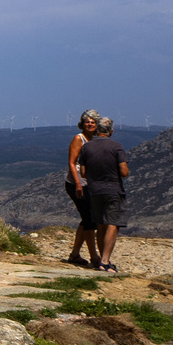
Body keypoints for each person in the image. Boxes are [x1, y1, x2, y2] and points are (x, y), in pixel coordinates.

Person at [79, 116, 129, 272]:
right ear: (111, 132)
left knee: (100, 225)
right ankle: (105, 261)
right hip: (113, 190)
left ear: (97, 130)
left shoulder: (86, 147)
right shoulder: (117, 147)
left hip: (94, 191)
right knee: (113, 224)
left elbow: (83, 172)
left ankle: (101, 259)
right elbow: (124, 172)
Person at [64, 109, 100, 268]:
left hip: (89, 183)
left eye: (93, 122)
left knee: (87, 219)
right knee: (90, 220)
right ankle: (94, 256)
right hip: (76, 184)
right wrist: (78, 183)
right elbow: (72, 162)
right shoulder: (79, 139)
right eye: (87, 121)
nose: (90, 124)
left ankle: (75, 254)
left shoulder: (95, 140)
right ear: (82, 124)